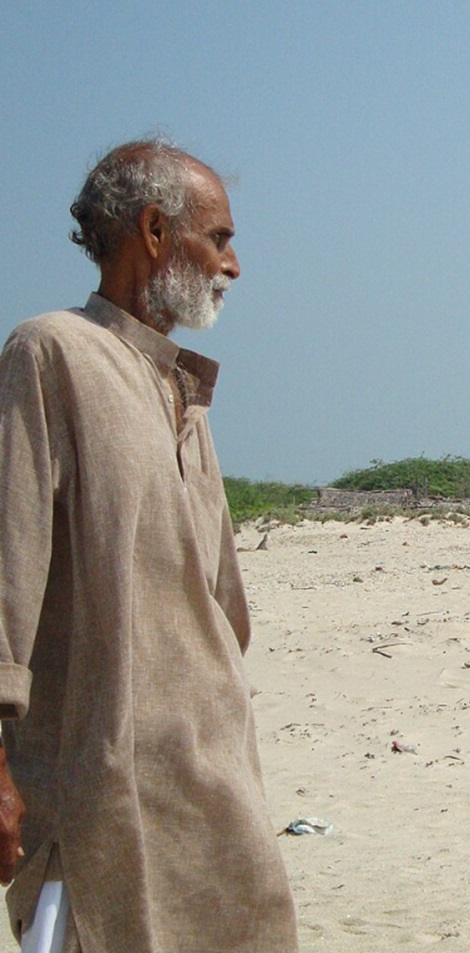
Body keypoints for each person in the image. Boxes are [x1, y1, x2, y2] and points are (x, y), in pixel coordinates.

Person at [0, 140, 298, 952]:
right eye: (221, 238)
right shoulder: (51, 353)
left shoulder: (182, 388)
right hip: (100, 792)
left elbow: (221, 606)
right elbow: (7, 577)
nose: (233, 264)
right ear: (156, 231)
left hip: (212, 784)